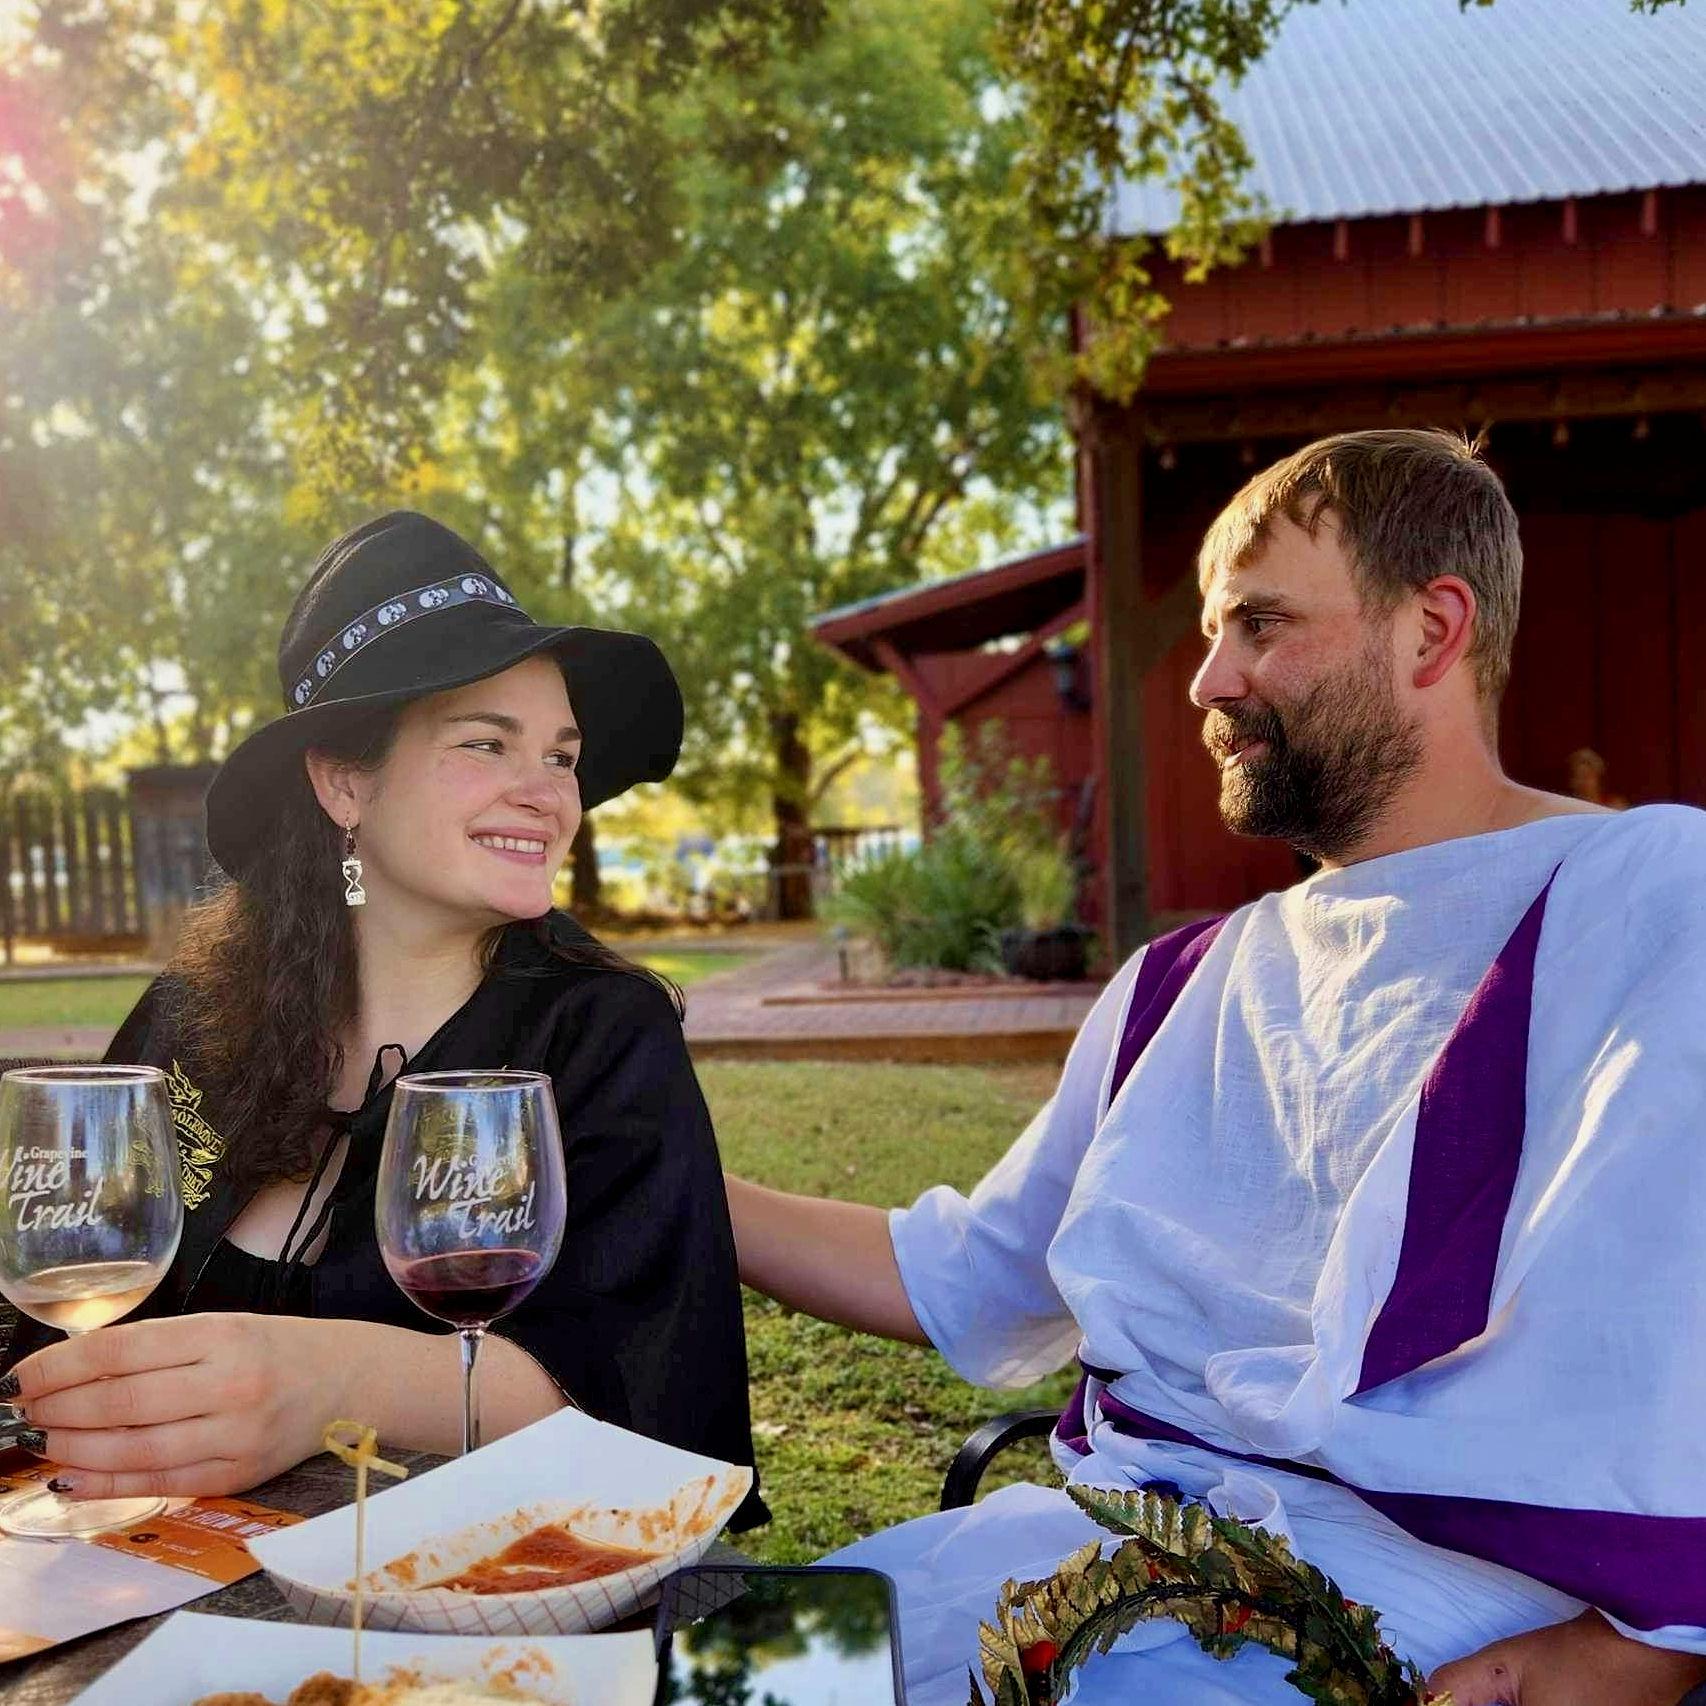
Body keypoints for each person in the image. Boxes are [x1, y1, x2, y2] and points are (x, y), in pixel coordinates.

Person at [729, 430, 1706, 1703]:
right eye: (1209, 631)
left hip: (1408, 1594)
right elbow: (975, 1275)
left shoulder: (1650, 895)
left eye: (1256, 624)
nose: (1205, 680)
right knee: (718, 1667)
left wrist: (1627, 1654)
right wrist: (670, 1173)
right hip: (1097, 1553)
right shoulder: (1177, 984)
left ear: (1429, 631)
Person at [0, 511, 764, 1527]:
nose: (544, 794)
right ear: (344, 779)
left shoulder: (601, 1036)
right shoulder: (190, 1022)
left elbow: (650, 1407)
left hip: (470, 1606)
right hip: (132, 1574)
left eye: (560, 756)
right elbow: (48, 1314)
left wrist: (336, 1383)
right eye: (486, 742)